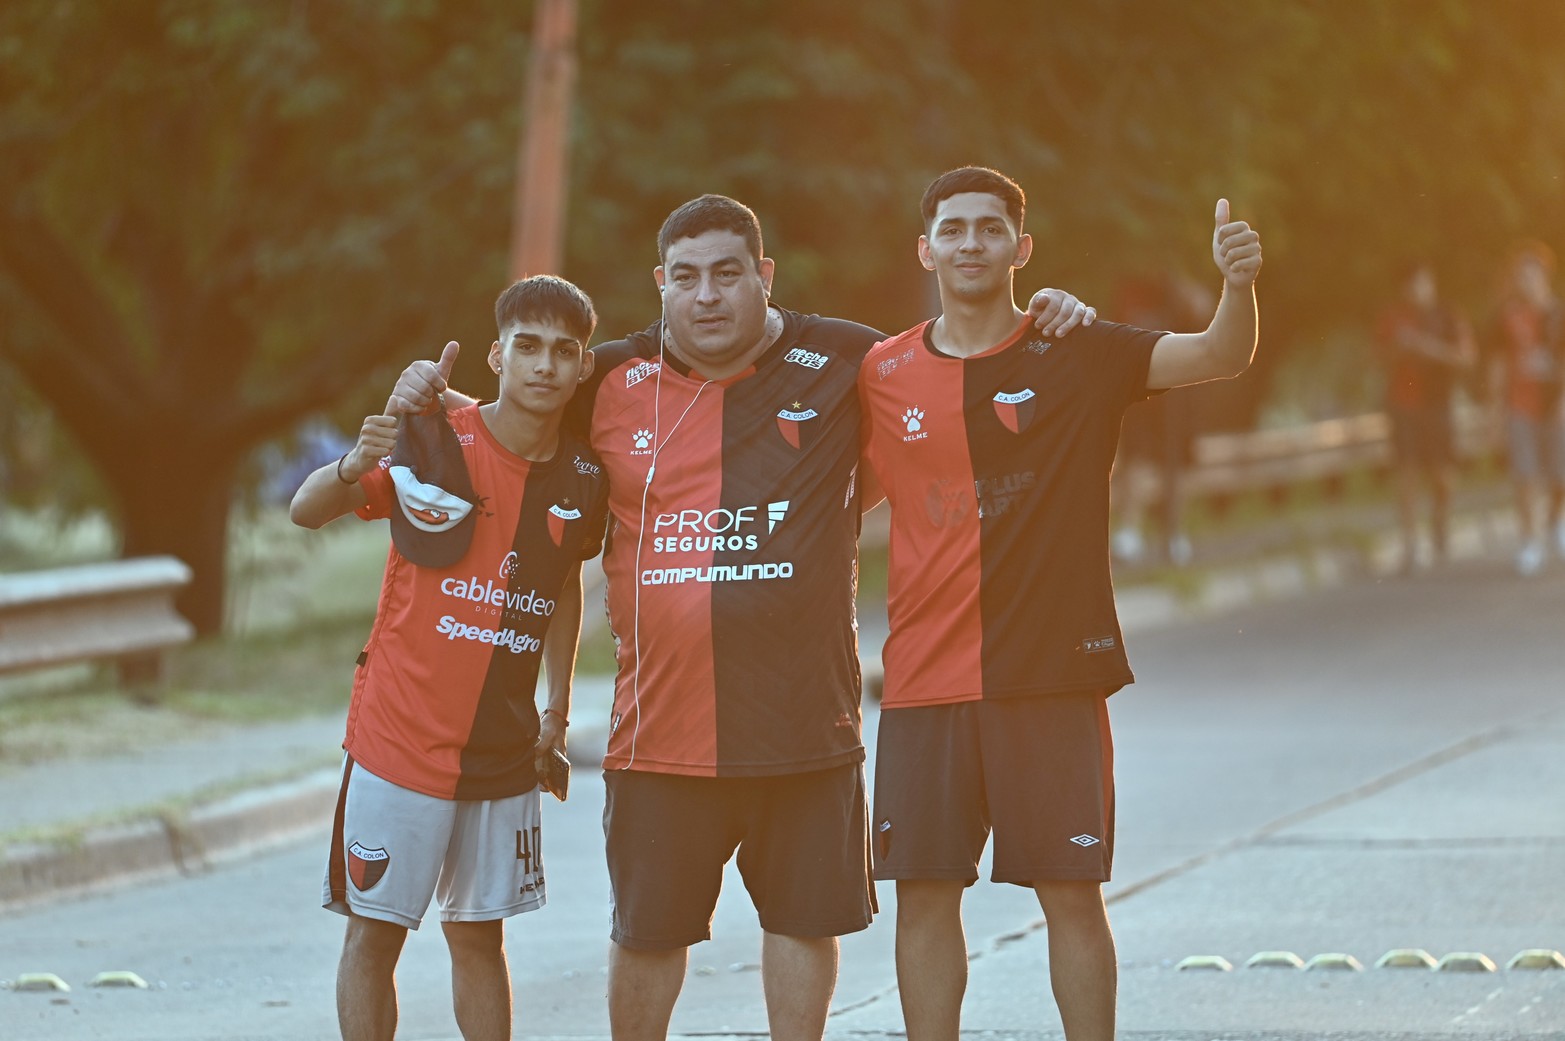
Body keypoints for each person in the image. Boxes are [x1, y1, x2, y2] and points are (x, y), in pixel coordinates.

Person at [389, 195, 1096, 1041]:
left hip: (804, 726)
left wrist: (1053, 317)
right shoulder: (607, 376)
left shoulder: (845, 358)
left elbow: (961, 365)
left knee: (801, 925)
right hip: (658, 734)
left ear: (762, 276)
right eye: (685, 277)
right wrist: (425, 394)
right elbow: (513, 419)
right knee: (648, 934)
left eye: (728, 273)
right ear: (661, 285)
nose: (708, 295)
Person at [857, 166, 1262, 1041]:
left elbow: (1220, 355)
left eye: (989, 227)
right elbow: (826, 493)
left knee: (1070, 900)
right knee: (921, 900)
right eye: (953, 228)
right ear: (925, 247)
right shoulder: (881, 373)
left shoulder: (1078, 351)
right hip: (925, 682)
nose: (971, 242)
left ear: (1020, 246)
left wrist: (1238, 284)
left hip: (1048, 676)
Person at [291, 275, 610, 1041]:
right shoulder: (431, 442)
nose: (544, 365)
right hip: (397, 738)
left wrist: (556, 716)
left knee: (478, 939)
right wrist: (350, 463)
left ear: (584, 366)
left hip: (501, 750)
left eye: (562, 351)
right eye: (526, 347)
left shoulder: (584, 477)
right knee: (376, 932)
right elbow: (305, 510)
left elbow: (563, 587)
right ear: (498, 356)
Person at [1375, 262, 1475, 573]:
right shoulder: (1392, 318)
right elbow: (1378, 358)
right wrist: (1399, 349)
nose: (1417, 289)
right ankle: (1410, 543)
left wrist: (1428, 349)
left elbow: (1467, 359)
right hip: (1403, 404)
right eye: (1412, 284)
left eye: (1422, 282)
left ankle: (1439, 524)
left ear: (1432, 284)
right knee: (1406, 473)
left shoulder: (1448, 316)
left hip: (1438, 404)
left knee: (1442, 476)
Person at [1488, 242, 1565, 576]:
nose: (1526, 282)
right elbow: (1497, 365)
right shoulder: (1508, 317)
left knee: (1559, 474)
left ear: (1544, 277)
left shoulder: (1559, 314)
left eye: (1532, 275)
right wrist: (1494, 408)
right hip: (1520, 404)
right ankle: (1529, 541)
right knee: (1525, 474)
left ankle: (1557, 521)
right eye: (1521, 276)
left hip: (1557, 403)